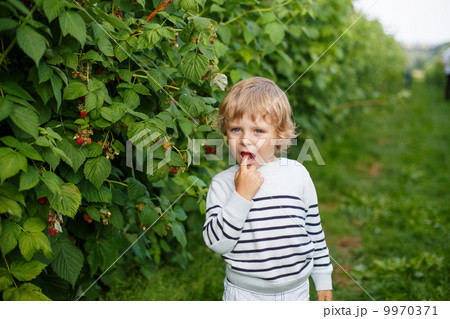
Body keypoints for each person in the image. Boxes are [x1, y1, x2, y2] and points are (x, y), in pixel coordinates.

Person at [203, 77, 333, 301]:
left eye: (258, 131)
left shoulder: (297, 175)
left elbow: (313, 230)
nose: (245, 140)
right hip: (244, 295)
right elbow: (218, 243)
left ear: (279, 135)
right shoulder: (222, 184)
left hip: (296, 292)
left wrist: (323, 280)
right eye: (236, 129)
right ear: (225, 133)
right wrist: (241, 195)